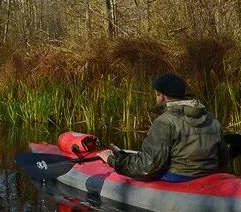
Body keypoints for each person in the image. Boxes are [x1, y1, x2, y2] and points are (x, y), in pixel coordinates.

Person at [95, 73, 228, 182]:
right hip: (208, 175)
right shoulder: (210, 117)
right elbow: (223, 158)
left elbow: (149, 166)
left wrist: (112, 160)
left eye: (156, 94)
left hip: (178, 177)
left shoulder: (164, 122)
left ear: (162, 95)